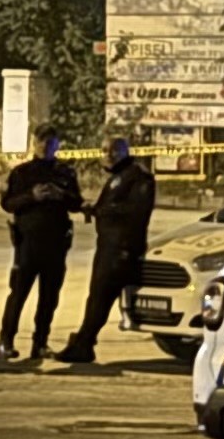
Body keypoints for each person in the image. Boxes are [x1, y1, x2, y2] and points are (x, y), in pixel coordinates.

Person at [57, 137, 158, 365]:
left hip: (121, 248)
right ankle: (84, 341)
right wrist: (96, 209)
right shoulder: (119, 176)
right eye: (104, 150)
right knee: (97, 297)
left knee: (101, 297)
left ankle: (84, 343)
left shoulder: (138, 177)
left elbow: (135, 211)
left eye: (114, 151)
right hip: (109, 245)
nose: (108, 155)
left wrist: (101, 210)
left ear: (126, 151)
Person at [0, 130, 83, 361]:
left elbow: (77, 203)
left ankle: (40, 343)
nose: (45, 147)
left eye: (51, 143)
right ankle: (6, 341)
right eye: (42, 143)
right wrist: (32, 196)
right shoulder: (22, 173)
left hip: (56, 244)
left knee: (49, 298)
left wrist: (61, 194)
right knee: (18, 295)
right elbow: (8, 204)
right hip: (28, 244)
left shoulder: (65, 173)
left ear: (57, 145)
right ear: (34, 144)